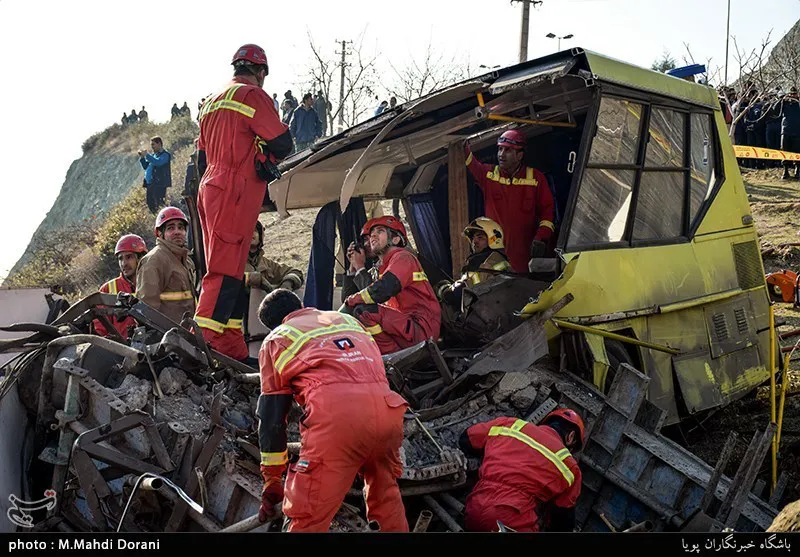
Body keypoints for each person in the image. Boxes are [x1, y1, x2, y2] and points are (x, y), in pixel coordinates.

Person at [255, 289, 410, 532]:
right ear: (301, 306)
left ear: (273, 325)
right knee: (386, 501)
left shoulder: (277, 339)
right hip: (388, 414)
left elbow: (273, 418)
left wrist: (273, 479)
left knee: (307, 517)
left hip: (338, 421)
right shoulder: (349, 321)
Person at [193, 44, 293, 362]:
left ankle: (230, 347)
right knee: (223, 273)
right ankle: (203, 346)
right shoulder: (252, 95)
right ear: (261, 72)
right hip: (232, 193)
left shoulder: (210, 102)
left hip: (211, 187)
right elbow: (283, 142)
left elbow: (202, 157)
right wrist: (264, 154)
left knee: (232, 271)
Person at [459, 408, 585, 532]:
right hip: (512, 521)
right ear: (571, 436)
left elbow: (466, 439)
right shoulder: (570, 467)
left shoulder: (510, 424)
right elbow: (562, 521)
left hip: (474, 508)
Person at [343, 216, 441, 355]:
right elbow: (349, 300)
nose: (373, 236)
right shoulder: (382, 268)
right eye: (371, 234)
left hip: (421, 328)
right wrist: (353, 269)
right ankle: (392, 358)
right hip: (404, 327)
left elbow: (382, 291)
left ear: (395, 239)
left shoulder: (403, 257)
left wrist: (359, 272)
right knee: (359, 312)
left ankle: (392, 357)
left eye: (380, 231)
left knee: (365, 311)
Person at [465, 130, 555, 273]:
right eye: (500, 149)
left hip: (525, 255)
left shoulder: (536, 178)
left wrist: (541, 237)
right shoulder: (488, 174)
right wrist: (462, 141)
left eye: (507, 150)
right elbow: (469, 161)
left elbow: (548, 214)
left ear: (520, 155)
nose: (501, 154)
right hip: (496, 258)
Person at [135, 207, 196, 325]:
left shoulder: (186, 260)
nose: (177, 231)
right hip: (168, 338)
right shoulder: (154, 261)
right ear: (159, 233)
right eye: (170, 228)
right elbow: (146, 310)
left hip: (188, 335)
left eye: (181, 227)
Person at [437, 217, 512, 308]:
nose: (474, 242)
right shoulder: (500, 259)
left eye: (480, 237)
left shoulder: (485, 260)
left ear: (494, 239)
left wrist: (444, 290)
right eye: (473, 238)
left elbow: (460, 293)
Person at [93, 234, 148, 339]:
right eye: (120, 259)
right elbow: (100, 330)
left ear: (141, 258)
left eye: (129, 257)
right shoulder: (107, 289)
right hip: (120, 352)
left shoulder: (153, 284)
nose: (124, 264)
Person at [245, 221, 304, 293]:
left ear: (260, 235)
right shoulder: (232, 262)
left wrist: (288, 282)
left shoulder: (267, 263)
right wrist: (249, 277)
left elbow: (296, 272)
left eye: (255, 230)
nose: (251, 233)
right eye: (247, 230)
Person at [138, 136, 172, 213]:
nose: (152, 147)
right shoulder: (154, 155)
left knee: (159, 203)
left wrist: (147, 155)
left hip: (160, 183)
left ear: (159, 143)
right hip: (151, 183)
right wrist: (142, 158)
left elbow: (158, 162)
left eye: (153, 144)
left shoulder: (165, 155)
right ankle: (155, 217)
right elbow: (146, 166)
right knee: (150, 203)